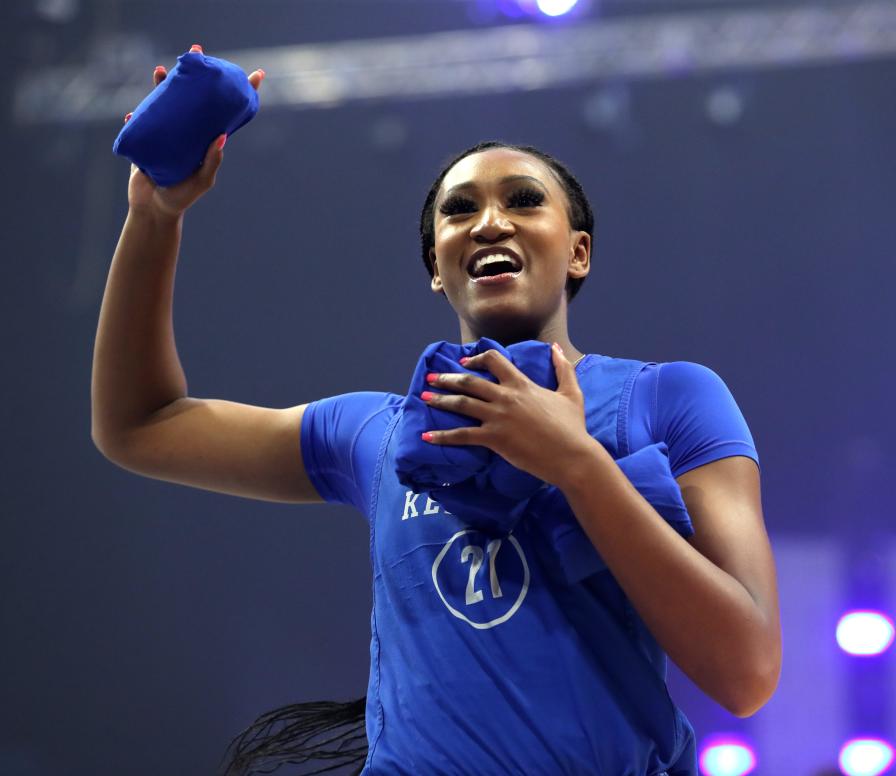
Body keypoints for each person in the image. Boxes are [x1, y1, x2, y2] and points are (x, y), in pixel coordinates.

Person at [92, 44, 782, 776]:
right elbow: (140, 426)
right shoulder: (373, 434)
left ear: (578, 252)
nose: (489, 222)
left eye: (523, 200)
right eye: (460, 211)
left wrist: (578, 465)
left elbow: (747, 673)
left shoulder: (668, 398)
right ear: (435, 268)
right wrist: (154, 216)